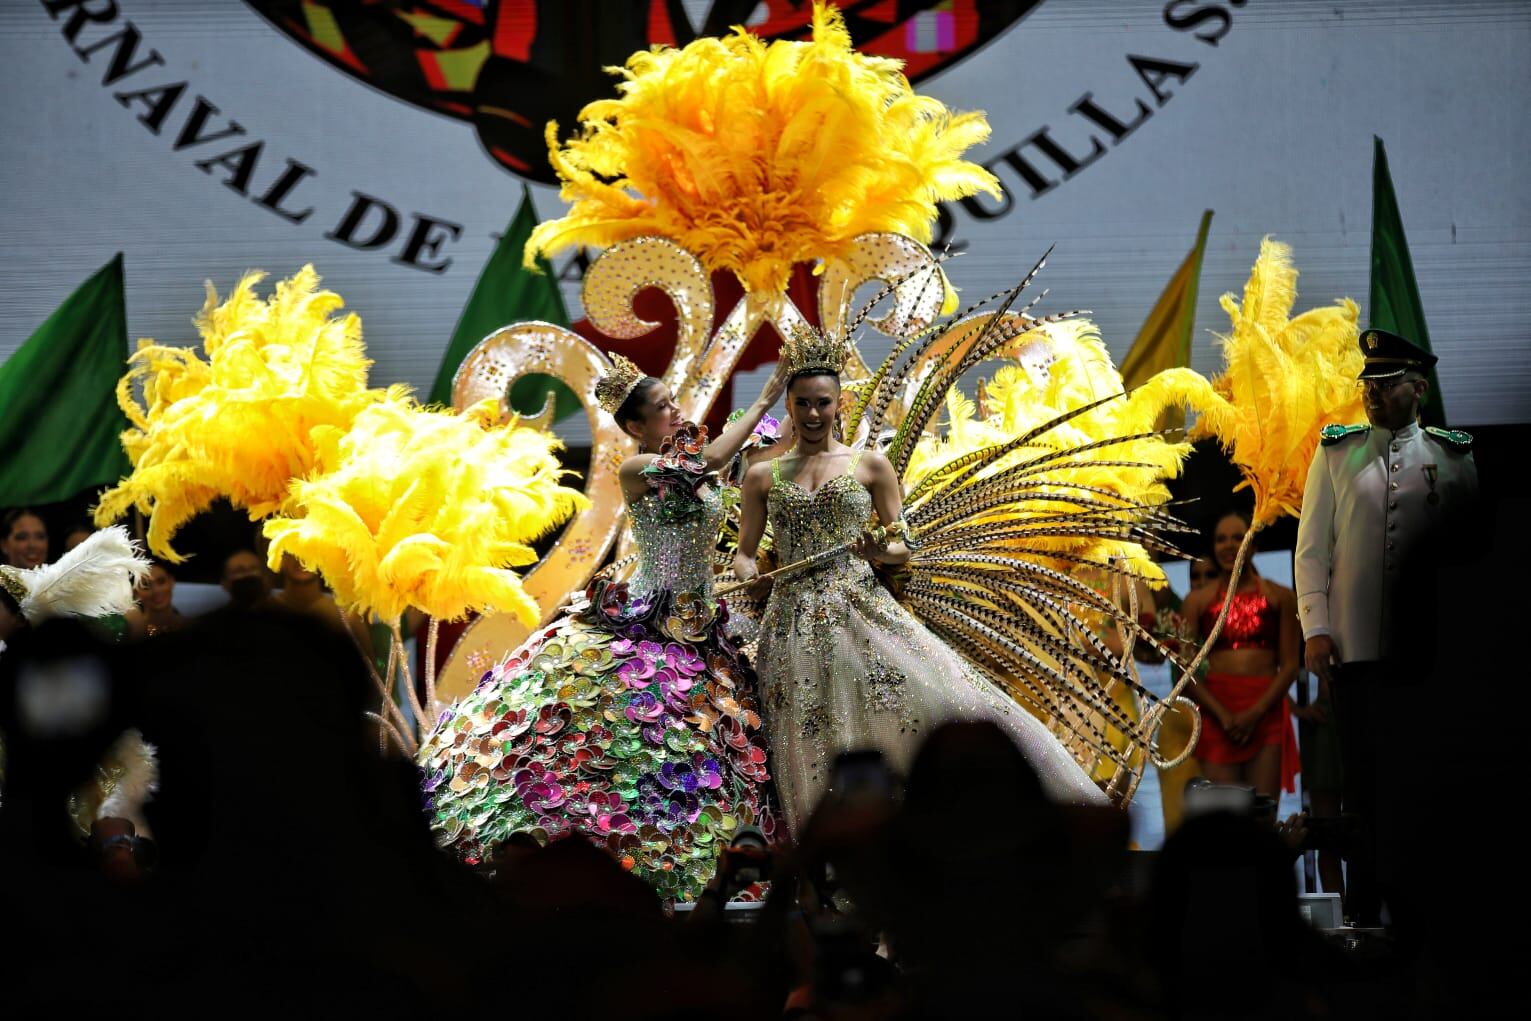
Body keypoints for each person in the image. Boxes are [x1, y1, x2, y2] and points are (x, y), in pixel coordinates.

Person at [415, 354, 790, 900]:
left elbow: (734, 480)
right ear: (636, 427)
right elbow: (706, 464)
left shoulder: (695, 469)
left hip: (703, 623)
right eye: (662, 409)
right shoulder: (637, 469)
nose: (674, 413)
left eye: (672, 404)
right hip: (645, 618)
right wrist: (762, 399)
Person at [732, 329, 1107, 834]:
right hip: (790, 626)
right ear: (791, 407)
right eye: (803, 404)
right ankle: (825, 874)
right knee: (805, 738)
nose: (814, 414)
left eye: (823, 402)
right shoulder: (763, 476)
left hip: (859, 612)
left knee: (934, 703)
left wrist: (877, 552)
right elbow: (745, 553)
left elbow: (901, 544)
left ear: (839, 402)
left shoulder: (870, 466)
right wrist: (748, 574)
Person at [1295, 327, 1477, 928]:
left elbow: (1469, 557)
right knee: (1363, 789)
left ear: (1417, 387)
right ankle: (1363, 912)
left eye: (1387, 382)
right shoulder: (1337, 452)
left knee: (1424, 783)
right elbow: (1312, 551)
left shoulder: (1452, 458)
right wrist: (1316, 628)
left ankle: (1426, 911)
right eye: (1367, 384)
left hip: (1426, 653)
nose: (1372, 393)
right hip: (1356, 651)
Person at [1180, 510, 1301, 799]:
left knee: (1262, 815)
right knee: (1225, 821)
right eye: (1221, 539)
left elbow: (1291, 665)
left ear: (1254, 545)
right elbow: (1186, 669)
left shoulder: (1281, 597)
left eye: (1238, 537)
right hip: (1216, 713)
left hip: (1265, 711)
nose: (1229, 545)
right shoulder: (1195, 602)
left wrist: (1255, 713)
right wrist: (1223, 716)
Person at [124, 560, 185, 640]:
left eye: (161, 582)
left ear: (171, 581)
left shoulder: (190, 626)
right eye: (145, 585)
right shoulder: (130, 632)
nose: (156, 591)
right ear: (135, 592)